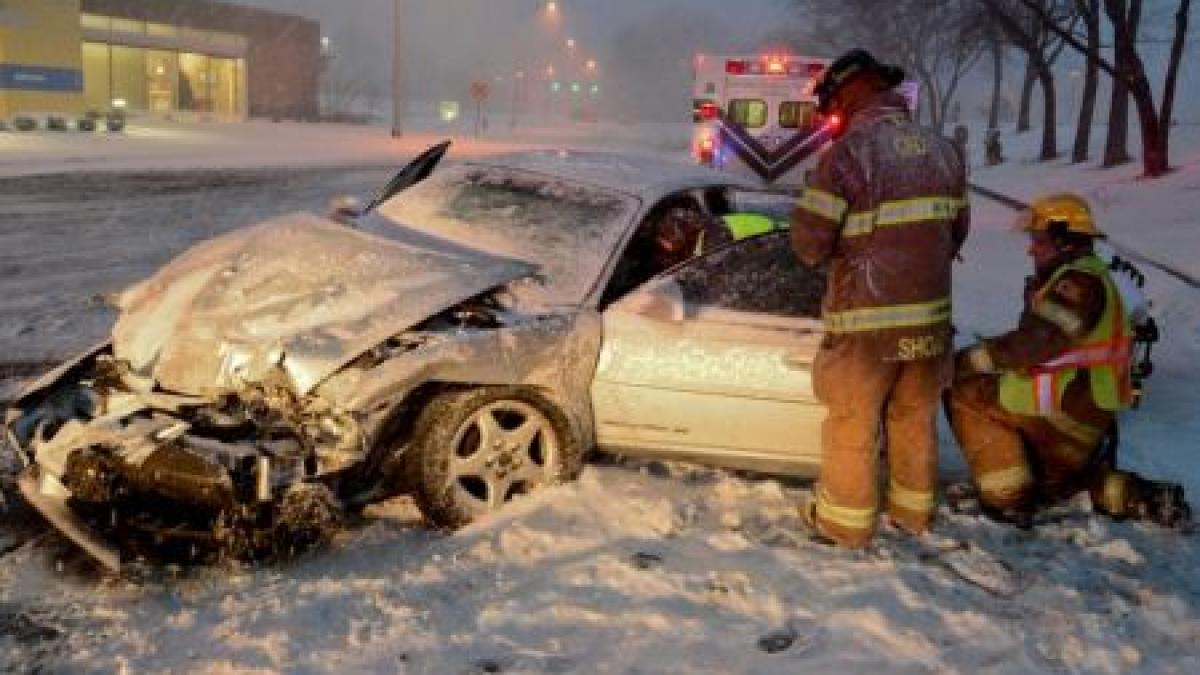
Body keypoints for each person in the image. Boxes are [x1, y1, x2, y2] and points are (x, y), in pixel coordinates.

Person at [790, 48, 970, 548]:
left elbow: (809, 247)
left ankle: (845, 527)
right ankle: (912, 518)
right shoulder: (945, 151)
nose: (835, 116)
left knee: (853, 423)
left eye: (834, 105)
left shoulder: (847, 154)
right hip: (930, 326)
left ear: (849, 91)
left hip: (866, 329)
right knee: (914, 420)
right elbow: (956, 234)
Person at [946, 193, 1190, 529]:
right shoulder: (1088, 276)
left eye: (1039, 241)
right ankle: (1139, 496)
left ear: (1063, 240)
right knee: (1061, 487)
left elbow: (1037, 342)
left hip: (1062, 406)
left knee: (965, 392)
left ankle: (1007, 497)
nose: (1032, 249)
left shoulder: (1078, 282)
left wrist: (967, 359)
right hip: (1086, 412)